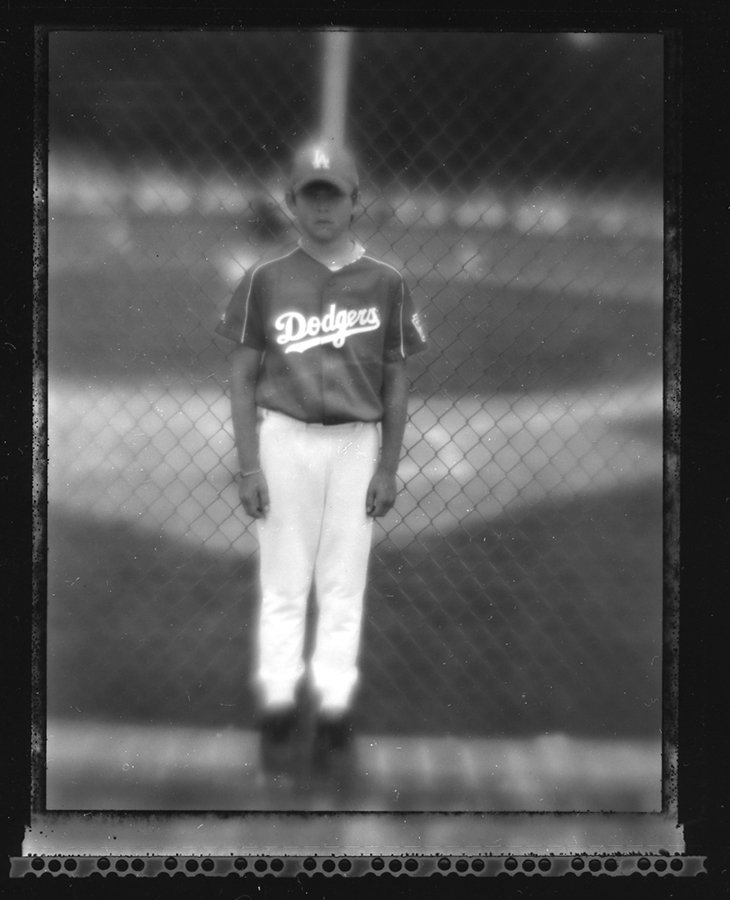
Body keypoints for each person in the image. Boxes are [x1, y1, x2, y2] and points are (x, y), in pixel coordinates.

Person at [216, 139, 427, 775]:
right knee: (283, 585)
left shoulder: (386, 281)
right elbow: (242, 376)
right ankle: (278, 710)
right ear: (291, 202)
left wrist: (388, 464)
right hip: (284, 438)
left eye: (333, 194)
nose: (322, 207)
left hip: (356, 444)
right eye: (310, 195)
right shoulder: (265, 278)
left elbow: (396, 378)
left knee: (342, 586)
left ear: (356, 200)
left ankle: (334, 712)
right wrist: (249, 464)